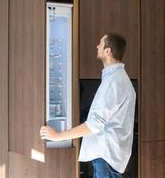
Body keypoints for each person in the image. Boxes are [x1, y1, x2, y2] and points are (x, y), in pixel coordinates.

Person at [40, 33, 136, 178]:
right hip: (109, 157)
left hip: (106, 157)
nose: (97, 46)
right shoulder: (117, 79)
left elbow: (94, 124)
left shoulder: (114, 82)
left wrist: (57, 136)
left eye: (100, 43)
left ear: (107, 51)